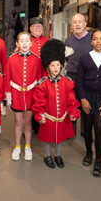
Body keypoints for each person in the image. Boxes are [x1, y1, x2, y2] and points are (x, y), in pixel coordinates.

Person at [32, 39, 80, 168]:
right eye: (52, 65)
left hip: (62, 117)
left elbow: (71, 100)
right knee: (48, 138)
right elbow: (38, 102)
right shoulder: (43, 83)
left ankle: (58, 156)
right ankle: (47, 156)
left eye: (57, 65)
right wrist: (39, 115)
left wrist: (73, 112)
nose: (55, 68)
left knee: (60, 137)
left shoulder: (67, 82)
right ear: (48, 66)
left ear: (61, 66)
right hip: (48, 117)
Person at [76, 30, 101, 176]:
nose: (98, 41)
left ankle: (98, 160)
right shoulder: (84, 58)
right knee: (87, 126)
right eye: (95, 39)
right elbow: (79, 80)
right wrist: (83, 99)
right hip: (87, 97)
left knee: (98, 127)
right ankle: (88, 153)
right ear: (91, 41)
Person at [4, 31, 42, 161]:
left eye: (27, 41)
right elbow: (7, 79)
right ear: (17, 43)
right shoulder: (12, 58)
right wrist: (8, 99)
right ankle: (17, 146)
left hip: (31, 96)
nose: (24, 43)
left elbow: (39, 80)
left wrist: (38, 99)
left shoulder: (37, 59)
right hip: (17, 95)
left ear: (31, 43)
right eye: (22, 41)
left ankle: (27, 146)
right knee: (18, 121)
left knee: (27, 122)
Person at [64, 13, 93, 134]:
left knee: (86, 104)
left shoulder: (92, 38)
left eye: (79, 22)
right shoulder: (68, 40)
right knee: (72, 103)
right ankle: (72, 130)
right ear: (72, 26)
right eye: (74, 22)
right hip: (71, 76)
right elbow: (66, 58)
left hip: (88, 77)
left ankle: (85, 131)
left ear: (85, 24)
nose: (77, 25)